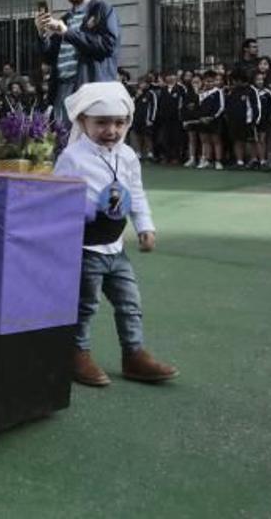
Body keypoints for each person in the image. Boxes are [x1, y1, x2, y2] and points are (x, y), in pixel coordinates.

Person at [54, 81, 178, 388]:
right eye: (102, 123)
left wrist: (145, 226)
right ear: (83, 121)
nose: (111, 130)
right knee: (85, 304)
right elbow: (58, 196)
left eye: (119, 123)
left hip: (115, 248)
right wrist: (84, 207)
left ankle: (134, 354)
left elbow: (135, 193)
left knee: (130, 303)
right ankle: (77, 353)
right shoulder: (72, 157)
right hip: (86, 247)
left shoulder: (128, 155)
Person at [36, 0, 121, 124]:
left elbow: (107, 46)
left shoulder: (103, 10)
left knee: (86, 142)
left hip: (88, 89)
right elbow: (48, 57)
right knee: (63, 142)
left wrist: (67, 32)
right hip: (61, 89)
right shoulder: (66, 18)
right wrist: (42, 34)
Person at [196, 70, 225, 170]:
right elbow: (199, 107)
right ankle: (207, 160)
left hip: (214, 121)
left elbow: (221, 107)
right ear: (204, 81)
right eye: (207, 81)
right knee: (205, 141)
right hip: (203, 121)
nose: (209, 83)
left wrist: (212, 117)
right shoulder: (201, 93)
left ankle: (218, 161)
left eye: (211, 81)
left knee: (216, 141)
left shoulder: (218, 92)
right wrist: (201, 118)